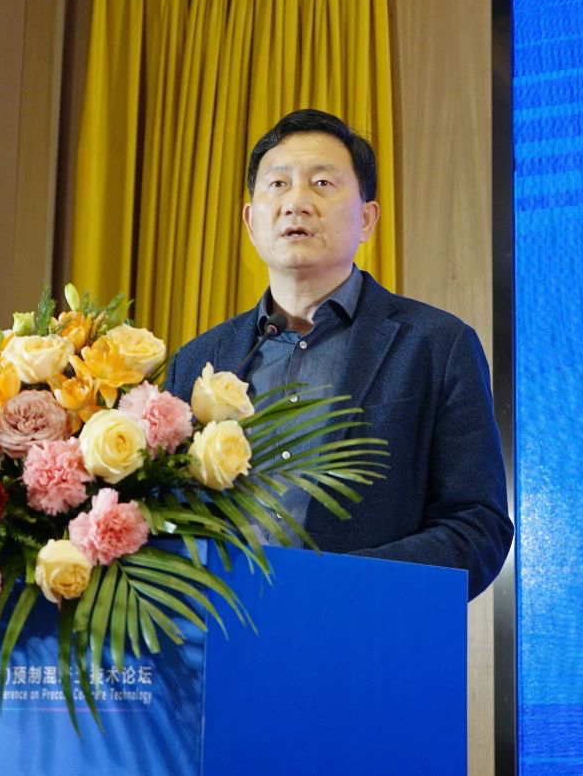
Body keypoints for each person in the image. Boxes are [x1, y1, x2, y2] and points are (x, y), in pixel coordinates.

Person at [165, 109, 512, 599]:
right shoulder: (197, 360)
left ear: (366, 218)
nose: (296, 202)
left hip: (364, 634)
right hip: (218, 634)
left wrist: (339, 591)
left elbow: (477, 526)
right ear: (250, 221)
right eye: (278, 184)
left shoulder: (436, 345)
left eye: (322, 183)